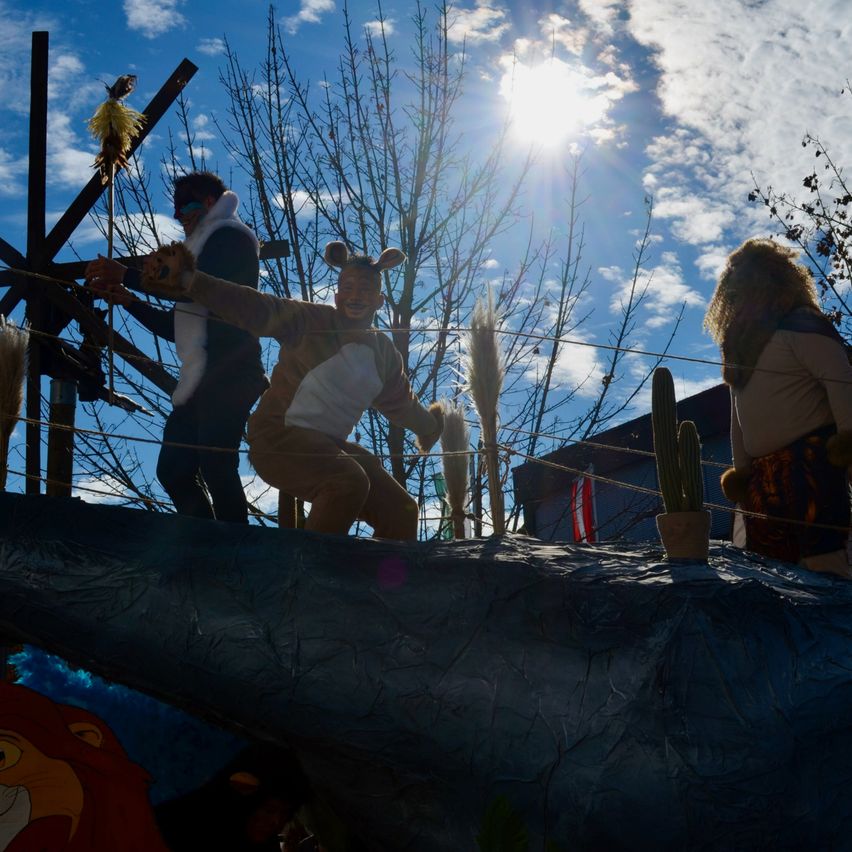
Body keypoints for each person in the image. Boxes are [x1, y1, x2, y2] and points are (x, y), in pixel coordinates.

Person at [135, 239, 443, 540]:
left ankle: (385, 584)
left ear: (379, 301)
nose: (355, 296)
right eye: (347, 288)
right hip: (277, 438)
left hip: (328, 446)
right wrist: (189, 279)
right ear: (336, 297)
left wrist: (430, 426)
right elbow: (254, 306)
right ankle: (307, 578)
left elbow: (401, 403)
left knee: (401, 509)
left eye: (365, 290)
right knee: (347, 481)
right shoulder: (311, 321)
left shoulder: (384, 353)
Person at [85, 172, 268, 524]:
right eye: (177, 206)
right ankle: (206, 544)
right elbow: (180, 326)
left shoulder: (231, 237)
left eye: (188, 203)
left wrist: (125, 275)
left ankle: (235, 555)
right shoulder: (198, 251)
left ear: (212, 202)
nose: (179, 213)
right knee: (173, 470)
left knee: (217, 467)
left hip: (232, 371)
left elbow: (191, 288)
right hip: (200, 378)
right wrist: (128, 301)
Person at [704, 238, 852, 577]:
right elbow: (737, 418)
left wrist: (849, 443)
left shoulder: (801, 323)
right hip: (762, 482)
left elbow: (841, 381)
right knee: (773, 579)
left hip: (813, 467)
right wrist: (742, 475)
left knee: (824, 568)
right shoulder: (740, 348)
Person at [155, 744, 308, 852]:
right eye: (269, 810)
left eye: (286, 814)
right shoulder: (174, 827)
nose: (277, 822)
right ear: (241, 804)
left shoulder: (263, 845)